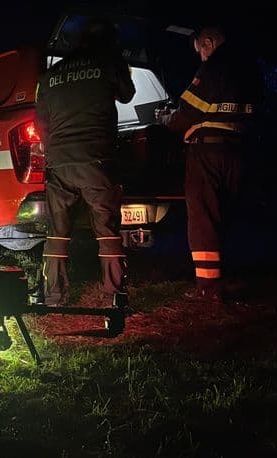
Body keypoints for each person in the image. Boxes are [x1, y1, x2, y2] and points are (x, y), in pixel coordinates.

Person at [35, 17, 136, 307]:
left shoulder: (50, 76)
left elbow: (41, 123)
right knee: (107, 230)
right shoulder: (108, 63)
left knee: (57, 231)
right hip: (97, 161)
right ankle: (113, 297)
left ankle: (54, 296)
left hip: (59, 163)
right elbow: (127, 96)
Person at [156, 24, 261, 301]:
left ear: (209, 43)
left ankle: (208, 287)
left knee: (203, 219)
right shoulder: (248, 69)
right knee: (223, 216)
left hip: (207, 153)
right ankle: (223, 276)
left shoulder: (213, 67)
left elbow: (184, 116)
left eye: (200, 50)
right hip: (238, 151)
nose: (201, 56)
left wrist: (165, 118)